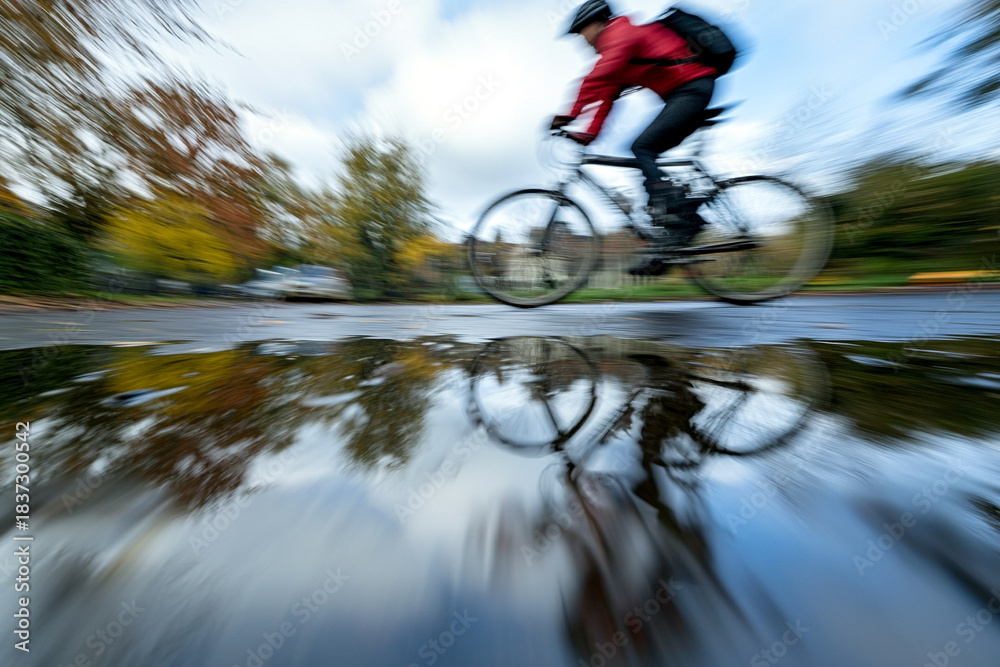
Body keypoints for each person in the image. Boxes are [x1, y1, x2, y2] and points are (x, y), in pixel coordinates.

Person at [552, 0, 720, 275]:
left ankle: (679, 220)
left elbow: (596, 78)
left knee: (643, 147)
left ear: (597, 23)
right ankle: (667, 242)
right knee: (648, 163)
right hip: (683, 94)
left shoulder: (620, 33)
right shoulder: (616, 53)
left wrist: (568, 113)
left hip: (693, 88)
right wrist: (586, 135)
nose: (582, 40)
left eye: (582, 32)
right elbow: (605, 97)